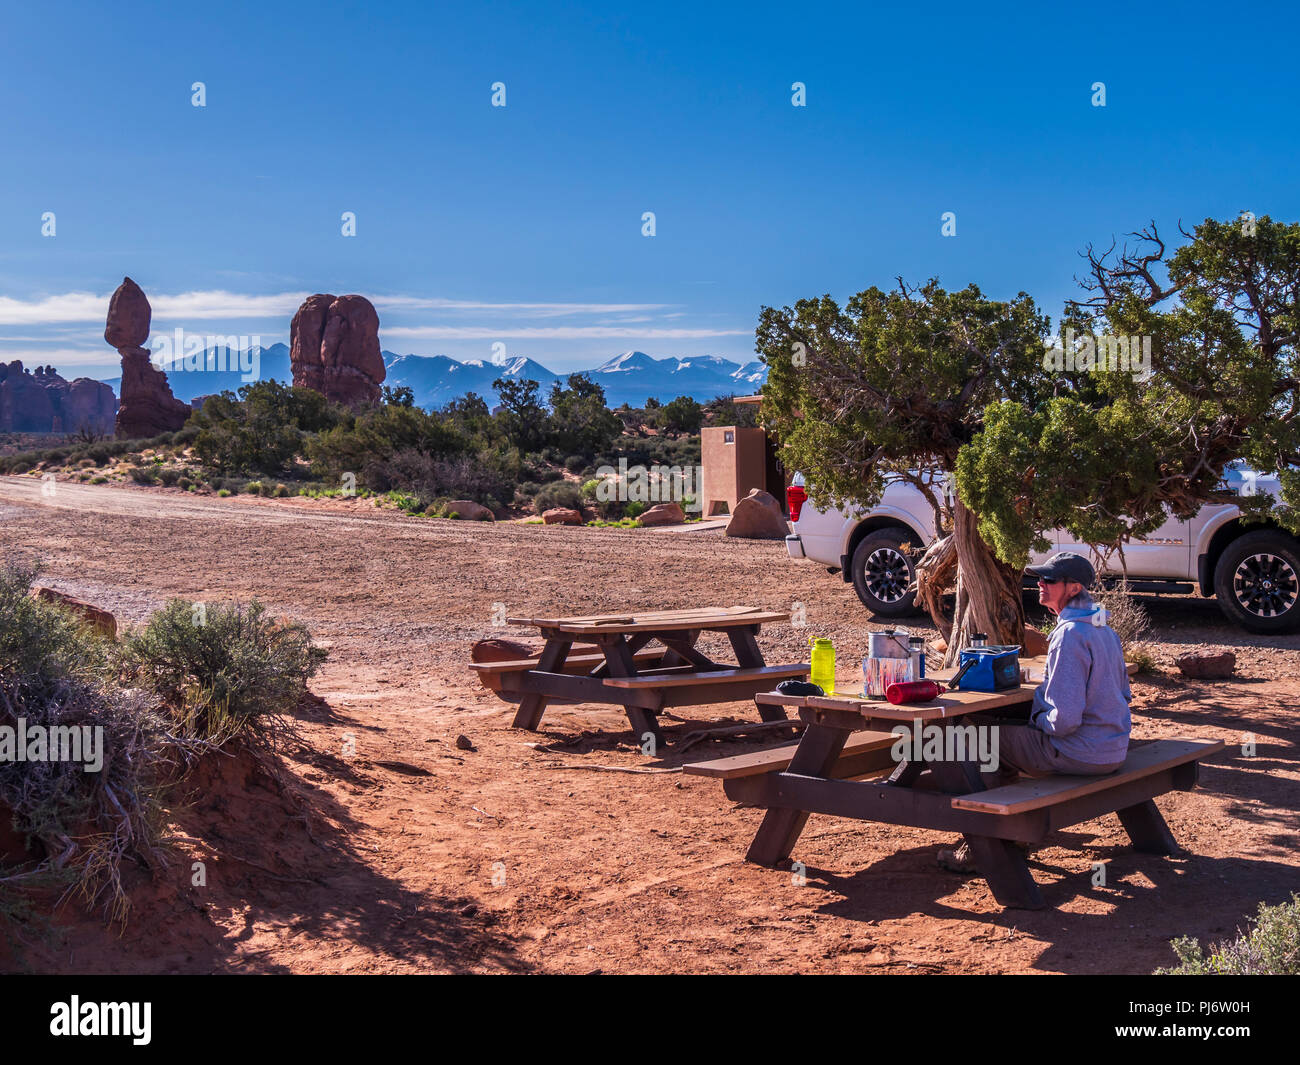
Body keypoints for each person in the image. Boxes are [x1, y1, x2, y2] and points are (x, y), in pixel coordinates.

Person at [939, 551, 1132, 872]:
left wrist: (1038, 717)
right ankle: (1014, 831)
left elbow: (1063, 720)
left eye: (1050, 579)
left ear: (1073, 588)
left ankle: (988, 846)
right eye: (1040, 577)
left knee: (975, 740)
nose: (1040, 583)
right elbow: (1123, 693)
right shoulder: (1104, 631)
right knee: (1001, 733)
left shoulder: (1070, 636)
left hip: (1078, 751)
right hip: (1111, 748)